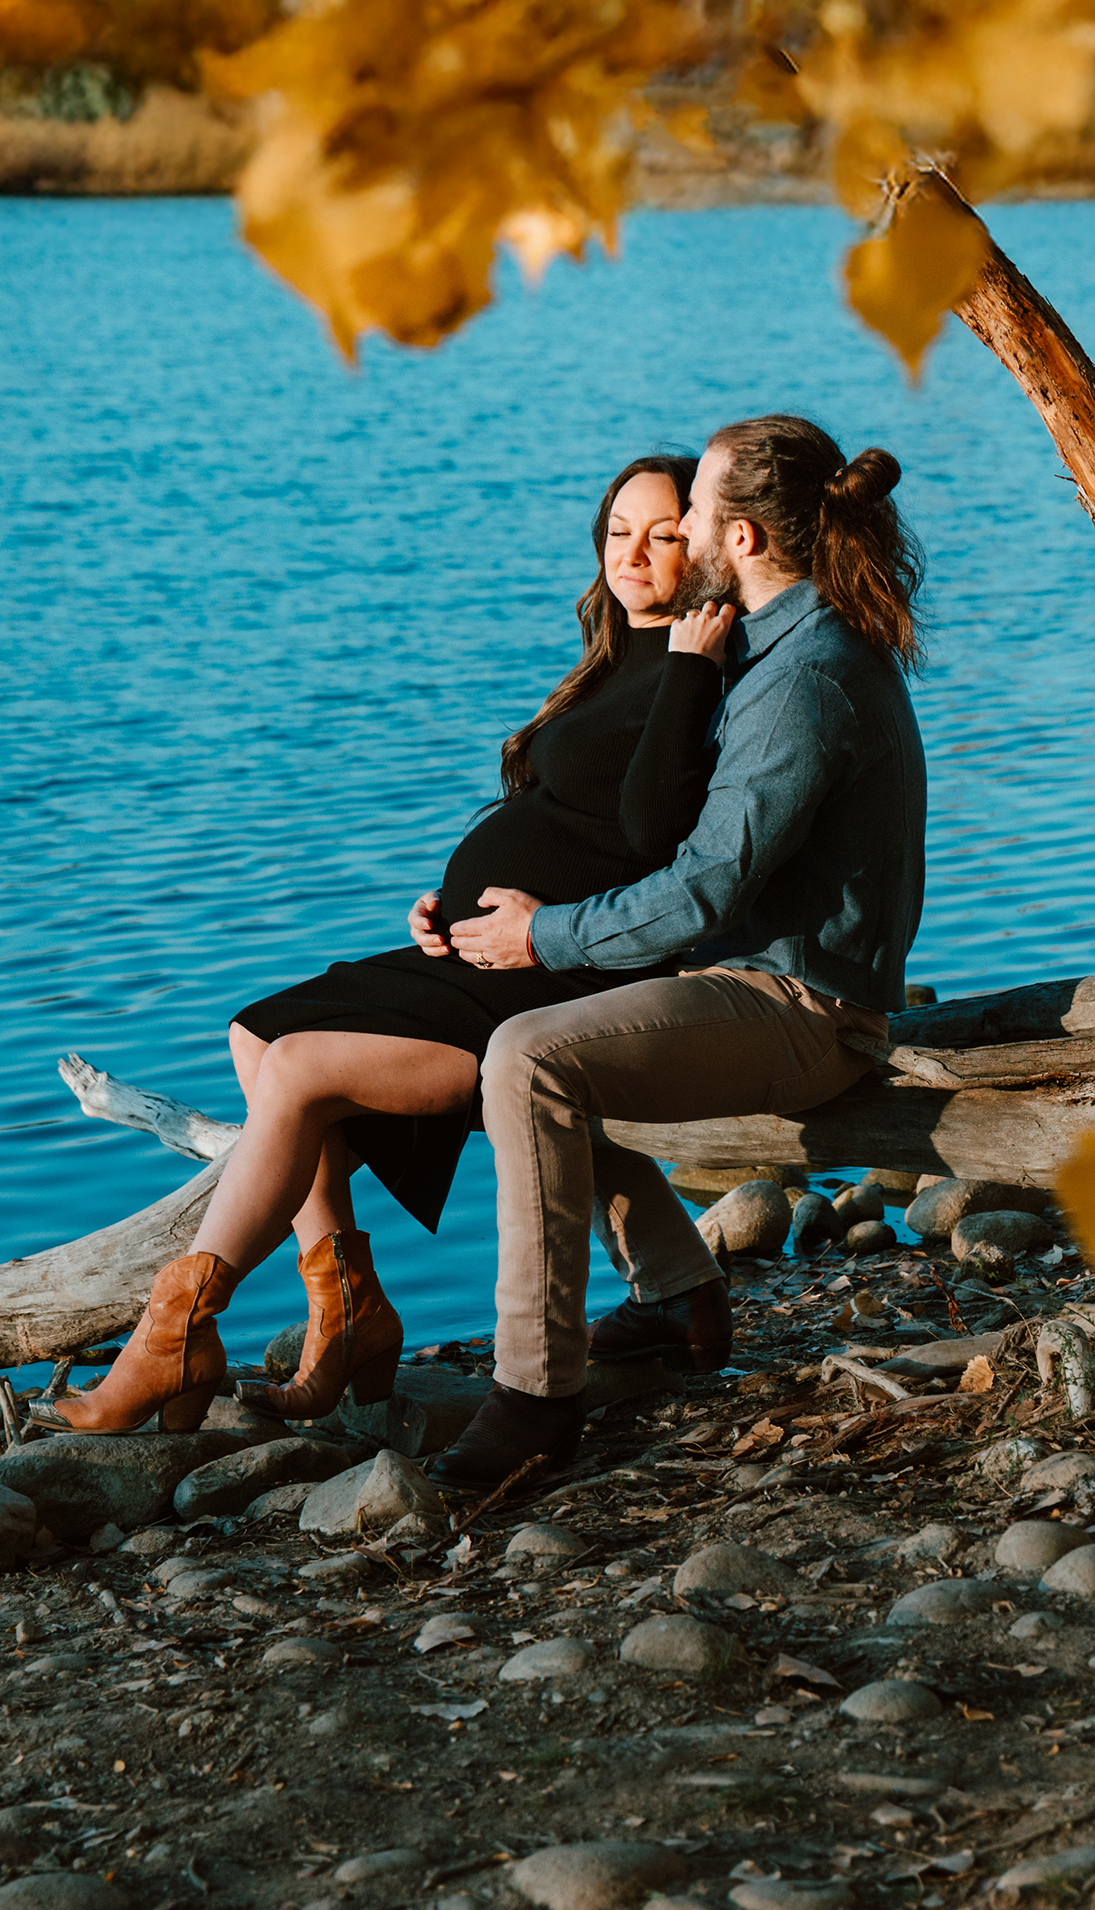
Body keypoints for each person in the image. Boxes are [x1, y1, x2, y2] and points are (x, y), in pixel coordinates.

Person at [30, 454, 735, 1437]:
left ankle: (178, 1325)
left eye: (663, 533)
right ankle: (350, 1309)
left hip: (555, 974)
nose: (635, 552)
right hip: (476, 954)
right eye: (619, 530)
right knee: (252, 1033)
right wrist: (441, 907)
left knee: (302, 1071)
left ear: (702, 543)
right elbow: (558, 819)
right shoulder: (610, 661)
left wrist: (696, 668)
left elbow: (655, 828)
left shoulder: (698, 664)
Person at [428, 413, 928, 1490]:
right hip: (732, 975)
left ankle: (534, 1395)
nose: (679, 525)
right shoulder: (769, 641)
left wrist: (544, 935)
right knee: (488, 1035)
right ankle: (677, 1292)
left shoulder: (804, 679)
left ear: (742, 537)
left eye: (694, 509)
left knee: (529, 1056)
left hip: (799, 1007)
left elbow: (707, 886)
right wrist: (494, 913)